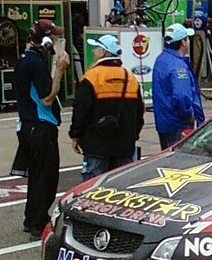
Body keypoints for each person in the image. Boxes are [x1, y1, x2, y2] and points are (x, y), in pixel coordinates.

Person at [11, 19, 70, 238]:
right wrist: (60, 70)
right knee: (46, 177)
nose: (56, 40)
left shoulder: (24, 59)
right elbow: (47, 97)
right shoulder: (35, 63)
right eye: (53, 36)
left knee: (37, 175)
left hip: (28, 125)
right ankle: (38, 221)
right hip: (40, 126)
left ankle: (31, 218)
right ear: (45, 40)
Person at [69, 35, 145, 181]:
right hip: (124, 146)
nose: (93, 51)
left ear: (103, 52)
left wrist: (76, 135)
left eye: (96, 48)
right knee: (120, 190)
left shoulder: (92, 77)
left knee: (94, 189)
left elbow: (81, 111)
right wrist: (131, 137)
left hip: (96, 145)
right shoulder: (130, 77)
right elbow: (139, 113)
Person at [152, 23, 205, 150]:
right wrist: (190, 115)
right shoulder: (178, 66)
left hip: (164, 122)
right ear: (183, 42)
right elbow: (182, 96)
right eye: (187, 38)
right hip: (178, 123)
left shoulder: (161, 59)